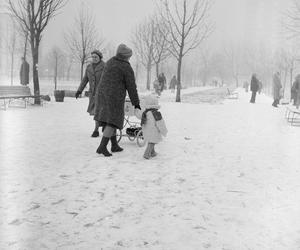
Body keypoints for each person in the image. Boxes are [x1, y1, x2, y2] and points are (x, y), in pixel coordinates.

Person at [94, 44, 140, 157]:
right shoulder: (125, 66)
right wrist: (136, 103)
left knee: (109, 119)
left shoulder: (110, 61)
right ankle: (102, 146)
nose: (129, 58)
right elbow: (131, 87)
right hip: (114, 97)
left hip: (102, 95)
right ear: (125, 56)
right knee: (112, 121)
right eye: (129, 56)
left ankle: (114, 145)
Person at [75, 50, 105, 137]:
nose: (94, 58)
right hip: (93, 94)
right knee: (96, 112)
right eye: (93, 57)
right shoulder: (89, 67)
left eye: (96, 57)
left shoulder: (105, 66)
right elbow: (85, 80)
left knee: (101, 111)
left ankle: (99, 128)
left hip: (103, 94)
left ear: (100, 57)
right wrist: (79, 90)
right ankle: (98, 128)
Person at [134, 95, 167, 159]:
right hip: (154, 131)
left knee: (151, 141)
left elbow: (139, 116)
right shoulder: (156, 113)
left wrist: (136, 110)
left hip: (146, 131)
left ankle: (152, 152)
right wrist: (164, 131)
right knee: (152, 142)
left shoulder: (145, 112)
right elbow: (160, 123)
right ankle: (147, 154)